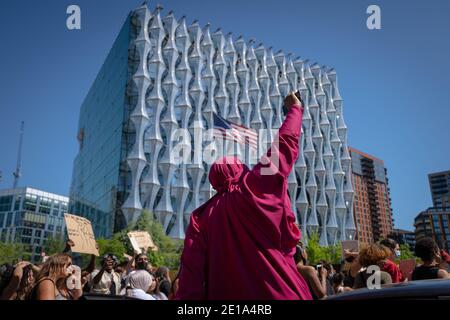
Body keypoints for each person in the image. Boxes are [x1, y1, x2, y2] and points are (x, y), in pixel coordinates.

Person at [176, 92, 311, 300]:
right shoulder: (254, 186)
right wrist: (295, 109)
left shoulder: (200, 219)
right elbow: (284, 144)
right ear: (240, 170)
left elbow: (190, 280)